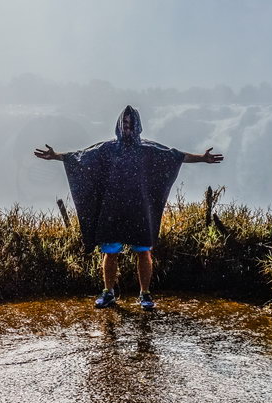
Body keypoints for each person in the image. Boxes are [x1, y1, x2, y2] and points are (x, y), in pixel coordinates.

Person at [34, 105, 223, 310]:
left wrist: (202, 158)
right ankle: (108, 293)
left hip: (139, 209)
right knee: (110, 251)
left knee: (143, 251)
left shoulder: (148, 149)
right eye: (124, 123)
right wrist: (55, 156)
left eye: (131, 124)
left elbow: (177, 156)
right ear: (118, 125)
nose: (127, 127)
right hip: (112, 209)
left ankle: (145, 294)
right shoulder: (106, 149)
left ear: (138, 126)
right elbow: (79, 156)